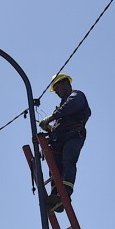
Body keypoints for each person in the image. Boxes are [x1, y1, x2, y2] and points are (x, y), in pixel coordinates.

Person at [38, 73, 91, 213]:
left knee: (68, 161)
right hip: (59, 140)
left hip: (73, 136)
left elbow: (70, 107)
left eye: (57, 88)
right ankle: (55, 196)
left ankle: (65, 194)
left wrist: (51, 117)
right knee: (54, 168)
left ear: (66, 83)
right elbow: (58, 123)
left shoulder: (77, 96)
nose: (56, 92)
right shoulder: (60, 107)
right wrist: (49, 127)